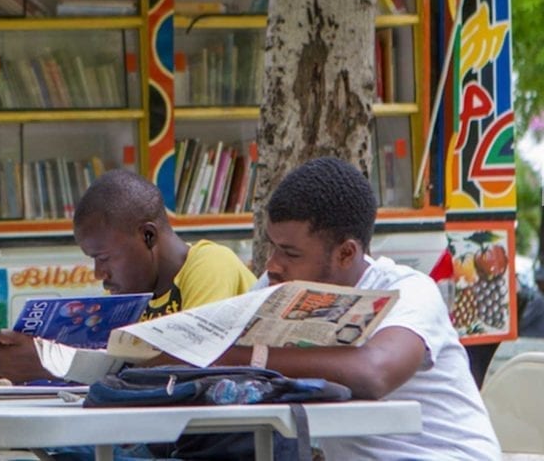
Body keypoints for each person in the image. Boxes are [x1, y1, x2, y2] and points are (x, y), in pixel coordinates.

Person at [213, 157, 500, 459]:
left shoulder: (409, 291)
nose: (273, 264)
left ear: (346, 253)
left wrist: (243, 357)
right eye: (273, 246)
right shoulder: (278, 285)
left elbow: (373, 374)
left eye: (290, 253)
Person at [0, 169, 257, 383]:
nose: (99, 273)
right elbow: (105, 359)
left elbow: (191, 363)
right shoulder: (128, 296)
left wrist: (54, 368)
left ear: (148, 236)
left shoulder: (210, 264)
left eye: (103, 258)